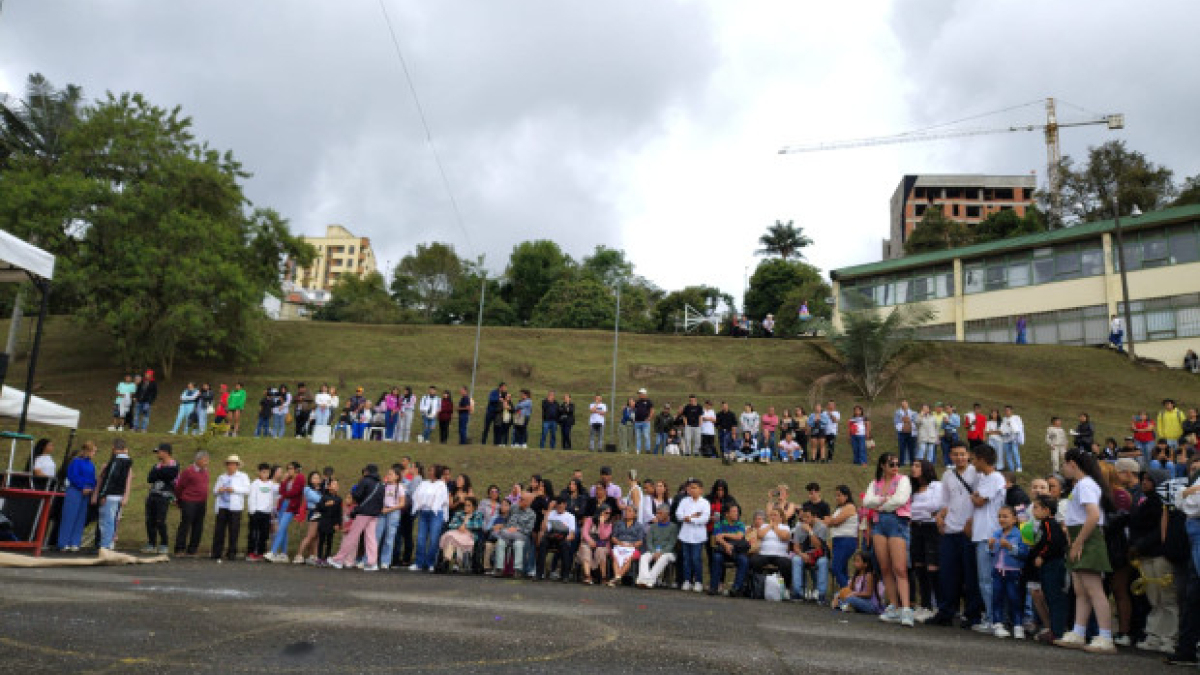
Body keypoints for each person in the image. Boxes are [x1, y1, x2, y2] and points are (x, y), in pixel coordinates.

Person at [1054, 449, 1117, 654]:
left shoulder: (1087, 485)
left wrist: (1078, 542)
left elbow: (1093, 515)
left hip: (1087, 538)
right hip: (1078, 536)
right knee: (1080, 590)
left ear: (1072, 463)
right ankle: (1078, 631)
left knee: (1094, 589)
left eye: (1065, 464)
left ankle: (1105, 636)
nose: (1063, 468)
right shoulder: (1080, 485)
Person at [863, 452, 913, 626]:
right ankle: (893, 605)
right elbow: (866, 502)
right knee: (885, 568)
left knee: (899, 567)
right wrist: (885, 500)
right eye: (891, 464)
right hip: (879, 524)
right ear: (882, 466)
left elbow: (900, 500)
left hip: (896, 522)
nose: (895, 467)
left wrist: (879, 503)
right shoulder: (875, 483)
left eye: (897, 463)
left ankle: (906, 608)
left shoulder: (903, 480)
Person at [968, 443, 1006, 633]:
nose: (972, 462)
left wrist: (974, 497)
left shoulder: (994, 477)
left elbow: (979, 500)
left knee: (988, 579)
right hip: (981, 533)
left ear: (982, 459)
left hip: (989, 534)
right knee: (984, 579)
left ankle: (993, 618)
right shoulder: (984, 478)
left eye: (974, 458)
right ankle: (992, 616)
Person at [1026, 494, 1068, 643]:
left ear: (1046, 510)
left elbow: (1053, 542)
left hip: (1053, 565)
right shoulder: (1044, 525)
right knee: (1049, 596)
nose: (1033, 510)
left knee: (1054, 597)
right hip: (1047, 566)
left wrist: (1042, 556)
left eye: (1036, 507)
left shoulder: (1050, 524)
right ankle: (1053, 629)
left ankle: (1057, 631)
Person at [328, 464, 385, 571]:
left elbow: (357, 496)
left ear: (367, 471)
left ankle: (339, 559)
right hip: (375, 514)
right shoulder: (381, 484)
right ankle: (372, 563)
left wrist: (356, 494)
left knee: (352, 535)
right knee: (371, 538)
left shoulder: (365, 481)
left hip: (363, 513)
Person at [987, 504, 1028, 638]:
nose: (1001, 519)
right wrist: (991, 546)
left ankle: (1017, 625)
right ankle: (997, 623)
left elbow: (1024, 553)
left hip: (1013, 571)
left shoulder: (1020, 534)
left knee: (1014, 598)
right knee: (997, 597)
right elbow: (991, 553)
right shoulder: (996, 533)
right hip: (998, 570)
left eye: (1005, 516)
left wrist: (1010, 547)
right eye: (999, 516)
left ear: (1014, 519)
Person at [908, 459, 943, 621]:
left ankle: (937, 605)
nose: (913, 469)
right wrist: (922, 511)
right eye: (913, 466)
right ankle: (925, 604)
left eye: (917, 466)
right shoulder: (912, 489)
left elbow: (936, 505)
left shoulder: (936, 486)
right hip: (916, 528)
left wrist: (921, 511)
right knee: (919, 567)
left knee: (933, 567)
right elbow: (908, 508)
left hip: (932, 528)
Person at [92, 439, 133, 551]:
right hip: (119, 495)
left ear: (114, 448)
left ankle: (105, 545)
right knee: (112, 520)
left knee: (107, 521)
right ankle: (108, 543)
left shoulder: (115, 461)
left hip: (110, 495)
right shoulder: (128, 462)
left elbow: (109, 479)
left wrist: (103, 494)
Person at [57, 440, 97, 552]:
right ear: (87, 451)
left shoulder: (91, 464)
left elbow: (93, 479)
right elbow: (73, 476)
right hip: (75, 491)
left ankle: (75, 542)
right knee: (69, 516)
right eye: (93, 451)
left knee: (80, 518)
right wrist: (82, 486)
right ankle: (63, 542)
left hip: (86, 492)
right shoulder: (76, 462)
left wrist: (91, 488)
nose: (94, 453)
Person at [210, 455, 250, 561]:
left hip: (235, 507)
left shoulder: (243, 476)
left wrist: (234, 489)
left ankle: (231, 552)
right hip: (222, 506)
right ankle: (217, 552)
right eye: (229, 464)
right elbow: (214, 491)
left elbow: (247, 490)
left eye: (233, 464)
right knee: (219, 530)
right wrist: (220, 490)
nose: (231, 466)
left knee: (234, 530)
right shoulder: (221, 477)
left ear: (237, 466)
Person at [141, 443, 178, 555]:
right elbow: (150, 478)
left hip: (164, 496)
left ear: (166, 452)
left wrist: (159, 473)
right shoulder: (156, 465)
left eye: (159, 452)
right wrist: (159, 473)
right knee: (149, 520)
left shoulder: (174, 465)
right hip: (153, 494)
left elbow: (170, 475)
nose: (157, 454)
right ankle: (151, 543)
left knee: (160, 520)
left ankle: (164, 544)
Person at [411, 465, 450, 572]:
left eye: (432, 470)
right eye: (429, 470)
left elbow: (441, 499)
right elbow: (416, 495)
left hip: (436, 513)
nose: (430, 472)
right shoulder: (423, 483)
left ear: (437, 472)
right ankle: (419, 562)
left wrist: (431, 503)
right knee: (420, 538)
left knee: (434, 539)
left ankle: (431, 562)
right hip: (424, 512)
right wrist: (422, 503)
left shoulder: (441, 484)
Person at [675, 479, 710, 592]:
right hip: (685, 535)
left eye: (695, 487)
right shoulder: (684, 501)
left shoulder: (705, 503)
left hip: (698, 536)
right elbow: (679, 514)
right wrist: (689, 517)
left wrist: (691, 519)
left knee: (696, 559)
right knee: (686, 559)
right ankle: (687, 580)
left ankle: (698, 581)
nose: (692, 490)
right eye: (690, 488)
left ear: (701, 490)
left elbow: (705, 518)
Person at [173, 451, 209, 557]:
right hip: (189, 500)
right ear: (198, 460)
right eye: (204, 460)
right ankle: (179, 549)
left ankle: (192, 549)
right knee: (185, 524)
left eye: (207, 460)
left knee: (198, 526)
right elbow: (179, 486)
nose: (206, 462)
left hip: (201, 501)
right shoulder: (188, 471)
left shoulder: (206, 472)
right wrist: (178, 499)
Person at [267, 461, 305, 563]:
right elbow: (281, 491)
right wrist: (284, 481)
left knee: (281, 527)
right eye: (288, 468)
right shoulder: (287, 479)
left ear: (297, 469)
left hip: (291, 506)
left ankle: (273, 552)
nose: (289, 471)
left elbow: (295, 491)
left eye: (291, 468)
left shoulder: (300, 477)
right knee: (283, 530)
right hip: (283, 505)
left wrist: (286, 494)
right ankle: (284, 554)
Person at [492, 491, 536, 578]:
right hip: (508, 533)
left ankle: (518, 570)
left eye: (522, 499)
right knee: (500, 542)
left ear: (528, 502)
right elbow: (507, 520)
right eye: (519, 498)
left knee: (518, 544)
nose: (519, 500)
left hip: (521, 535)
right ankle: (499, 569)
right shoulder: (513, 507)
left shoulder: (532, 514)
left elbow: (528, 530)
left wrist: (517, 529)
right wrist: (507, 527)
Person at [708, 503, 749, 596]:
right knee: (716, 558)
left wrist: (724, 535)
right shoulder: (719, 524)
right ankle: (714, 587)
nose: (736, 514)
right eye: (734, 511)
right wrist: (726, 545)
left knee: (744, 560)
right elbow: (717, 538)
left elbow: (739, 536)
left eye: (737, 511)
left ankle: (736, 588)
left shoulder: (740, 524)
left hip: (736, 551)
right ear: (727, 514)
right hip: (723, 550)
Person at [791, 507, 829, 603]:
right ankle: (798, 593)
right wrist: (802, 554)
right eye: (803, 517)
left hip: (818, 555)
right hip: (804, 554)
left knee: (823, 562)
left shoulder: (821, 527)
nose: (805, 520)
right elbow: (796, 547)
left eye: (807, 517)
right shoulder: (799, 528)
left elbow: (818, 546)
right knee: (796, 560)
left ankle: (821, 594)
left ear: (814, 517)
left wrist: (810, 531)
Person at [637, 504, 678, 588]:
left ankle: (647, 580)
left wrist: (661, 552)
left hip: (668, 552)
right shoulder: (653, 527)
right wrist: (654, 552)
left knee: (664, 558)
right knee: (644, 556)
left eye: (660, 513)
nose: (657, 515)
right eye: (657, 513)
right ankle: (647, 580)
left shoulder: (673, 527)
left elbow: (672, 543)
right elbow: (649, 542)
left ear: (667, 514)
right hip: (654, 550)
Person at [441, 496, 485, 572]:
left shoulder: (478, 514)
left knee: (455, 539)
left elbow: (478, 524)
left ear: (474, 507)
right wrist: (459, 526)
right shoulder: (458, 513)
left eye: (468, 505)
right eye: (465, 505)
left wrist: (465, 525)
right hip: (457, 533)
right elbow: (451, 524)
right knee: (450, 538)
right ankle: (447, 560)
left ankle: (454, 562)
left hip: (470, 535)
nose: (466, 507)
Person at [827, 486, 858, 590]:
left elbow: (835, 522)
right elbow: (830, 522)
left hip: (846, 540)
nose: (837, 498)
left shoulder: (850, 507)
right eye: (836, 495)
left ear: (846, 496)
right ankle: (845, 593)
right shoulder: (839, 508)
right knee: (842, 569)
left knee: (836, 568)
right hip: (838, 540)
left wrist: (829, 521)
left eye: (839, 495)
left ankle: (847, 593)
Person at [536, 498, 576, 581]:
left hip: (563, 538)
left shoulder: (570, 516)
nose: (559, 508)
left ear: (565, 505)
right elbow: (543, 529)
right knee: (543, 544)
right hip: (551, 537)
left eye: (561, 506)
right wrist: (548, 512)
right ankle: (539, 574)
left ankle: (565, 575)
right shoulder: (551, 514)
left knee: (565, 546)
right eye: (557, 507)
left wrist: (567, 538)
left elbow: (572, 534)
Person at [375, 467, 406, 570]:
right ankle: (371, 559)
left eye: (391, 474)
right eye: (388, 474)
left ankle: (385, 561)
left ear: (397, 476)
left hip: (393, 513)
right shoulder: (383, 486)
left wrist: (390, 509)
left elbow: (402, 503)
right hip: (382, 511)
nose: (388, 476)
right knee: (376, 536)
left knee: (389, 537)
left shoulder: (400, 487)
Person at [245, 463, 277, 562]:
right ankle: (251, 552)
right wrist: (252, 511)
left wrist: (271, 511)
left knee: (264, 534)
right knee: (254, 533)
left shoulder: (271, 484)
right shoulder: (255, 483)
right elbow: (251, 498)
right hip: (256, 512)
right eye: (263, 472)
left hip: (266, 513)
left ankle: (260, 552)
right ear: (259, 473)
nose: (265, 474)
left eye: (267, 472)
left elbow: (273, 497)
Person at [609, 504, 645, 586]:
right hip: (619, 545)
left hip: (632, 547)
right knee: (615, 557)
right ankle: (618, 578)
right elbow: (613, 537)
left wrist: (631, 545)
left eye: (629, 511)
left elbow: (640, 541)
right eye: (626, 511)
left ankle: (617, 577)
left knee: (628, 558)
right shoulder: (618, 524)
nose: (627, 513)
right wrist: (619, 543)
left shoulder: (639, 526)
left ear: (635, 514)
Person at [1000, 405, 1025, 473]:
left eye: (1008, 410)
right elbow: (1002, 428)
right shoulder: (1004, 419)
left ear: (1011, 411)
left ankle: (1019, 467)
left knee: (1015, 452)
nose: (1007, 412)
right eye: (1005, 410)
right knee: (1008, 454)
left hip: (1014, 439)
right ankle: (1011, 468)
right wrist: (1004, 432)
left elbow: (1019, 428)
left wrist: (1011, 424)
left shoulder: (1016, 417)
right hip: (1006, 439)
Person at [893, 400, 916, 466]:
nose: (904, 405)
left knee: (911, 448)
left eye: (905, 404)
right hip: (901, 432)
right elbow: (896, 422)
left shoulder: (913, 412)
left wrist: (909, 421)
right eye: (902, 404)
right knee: (902, 448)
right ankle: (902, 462)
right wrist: (902, 426)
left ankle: (912, 462)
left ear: (908, 404)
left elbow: (915, 422)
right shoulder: (897, 413)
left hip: (911, 432)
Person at [633, 388, 654, 454]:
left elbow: (652, 410)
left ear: (644, 394)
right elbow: (634, 409)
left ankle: (647, 449)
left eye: (640, 394)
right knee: (638, 437)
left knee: (646, 436)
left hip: (645, 422)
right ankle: (638, 450)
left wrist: (649, 418)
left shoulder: (649, 402)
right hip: (637, 422)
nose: (639, 395)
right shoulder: (637, 402)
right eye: (639, 394)